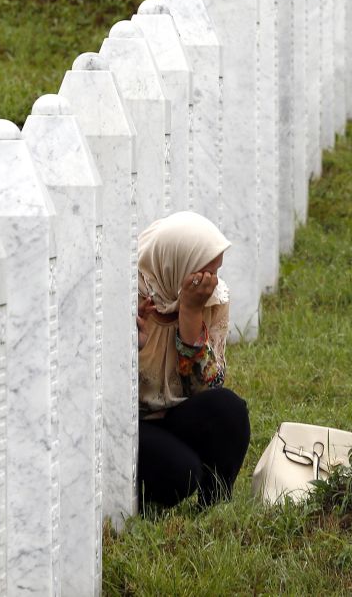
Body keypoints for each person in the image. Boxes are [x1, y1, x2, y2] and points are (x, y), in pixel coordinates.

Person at [135, 211, 251, 513]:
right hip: (134, 424)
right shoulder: (129, 294)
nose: (210, 283)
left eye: (215, 272)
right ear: (176, 264)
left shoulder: (210, 299)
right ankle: (145, 503)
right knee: (182, 473)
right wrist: (133, 347)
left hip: (175, 415)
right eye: (202, 274)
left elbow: (208, 386)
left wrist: (190, 313)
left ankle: (215, 506)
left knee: (229, 410)